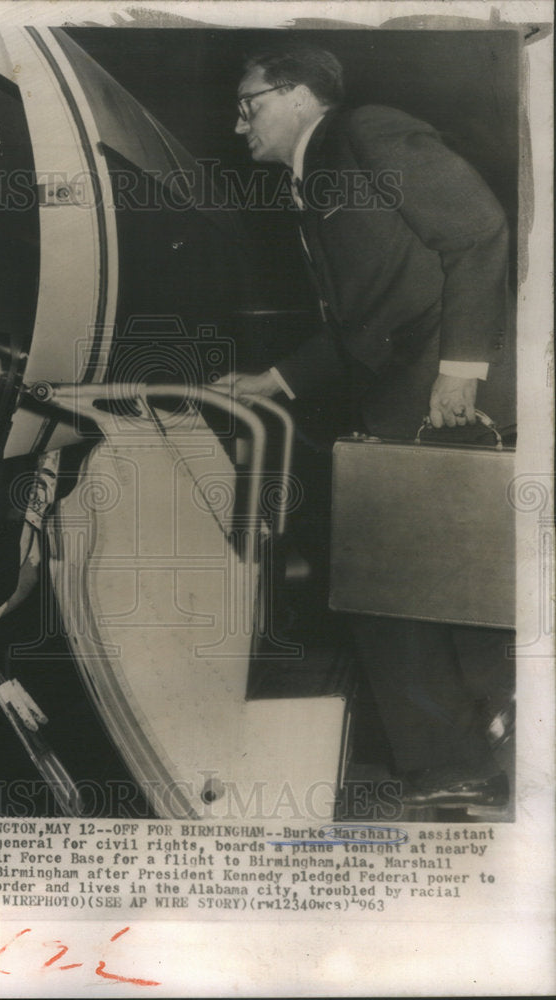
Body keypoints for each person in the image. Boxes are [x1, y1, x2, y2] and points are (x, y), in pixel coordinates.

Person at [219, 41, 514, 809]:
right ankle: (463, 757)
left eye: (248, 105)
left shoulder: (365, 132)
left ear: (297, 96)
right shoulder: (313, 178)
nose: (238, 123)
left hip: (443, 395)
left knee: (416, 579)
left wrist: (461, 367)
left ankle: (472, 754)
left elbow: (477, 229)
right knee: (407, 582)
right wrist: (276, 379)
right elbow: (362, 320)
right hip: (404, 398)